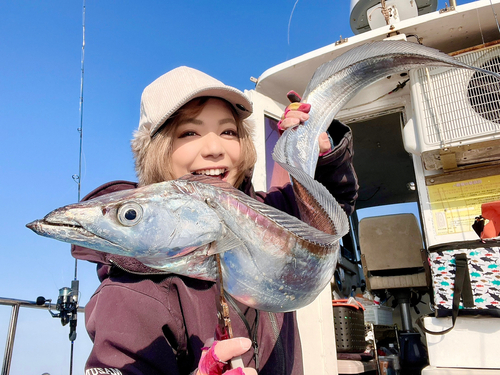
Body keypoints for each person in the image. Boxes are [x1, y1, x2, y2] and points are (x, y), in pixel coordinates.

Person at [72, 66, 358, 375]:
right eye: (189, 133)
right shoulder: (131, 288)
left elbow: (331, 206)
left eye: (228, 132)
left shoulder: (268, 212)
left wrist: (320, 152)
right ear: (156, 151)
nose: (215, 149)